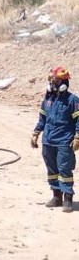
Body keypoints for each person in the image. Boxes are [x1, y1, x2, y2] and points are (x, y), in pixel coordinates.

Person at [31, 66, 78, 213]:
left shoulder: (73, 100)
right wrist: (36, 132)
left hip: (64, 140)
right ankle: (56, 196)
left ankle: (68, 198)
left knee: (64, 168)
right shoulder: (48, 98)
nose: (53, 82)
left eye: (56, 79)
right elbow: (43, 118)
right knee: (52, 170)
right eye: (51, 79)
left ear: (64, 81)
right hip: (48, 140)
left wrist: (77, 136)